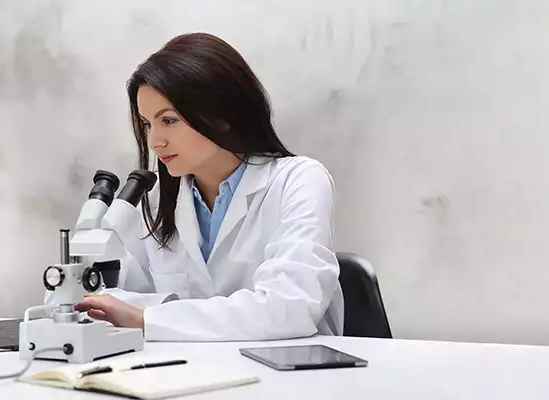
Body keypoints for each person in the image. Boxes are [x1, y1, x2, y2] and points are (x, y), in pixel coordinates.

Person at [71, 32, 344, 341]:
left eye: (169, 120)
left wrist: (151, 317)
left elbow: (287, 309)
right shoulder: (159, 201)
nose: (154, 141)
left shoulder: (299, 181)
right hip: (189, 377)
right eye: (148, 124)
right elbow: (108, 300)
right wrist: (151, 312)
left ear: (223, 115)